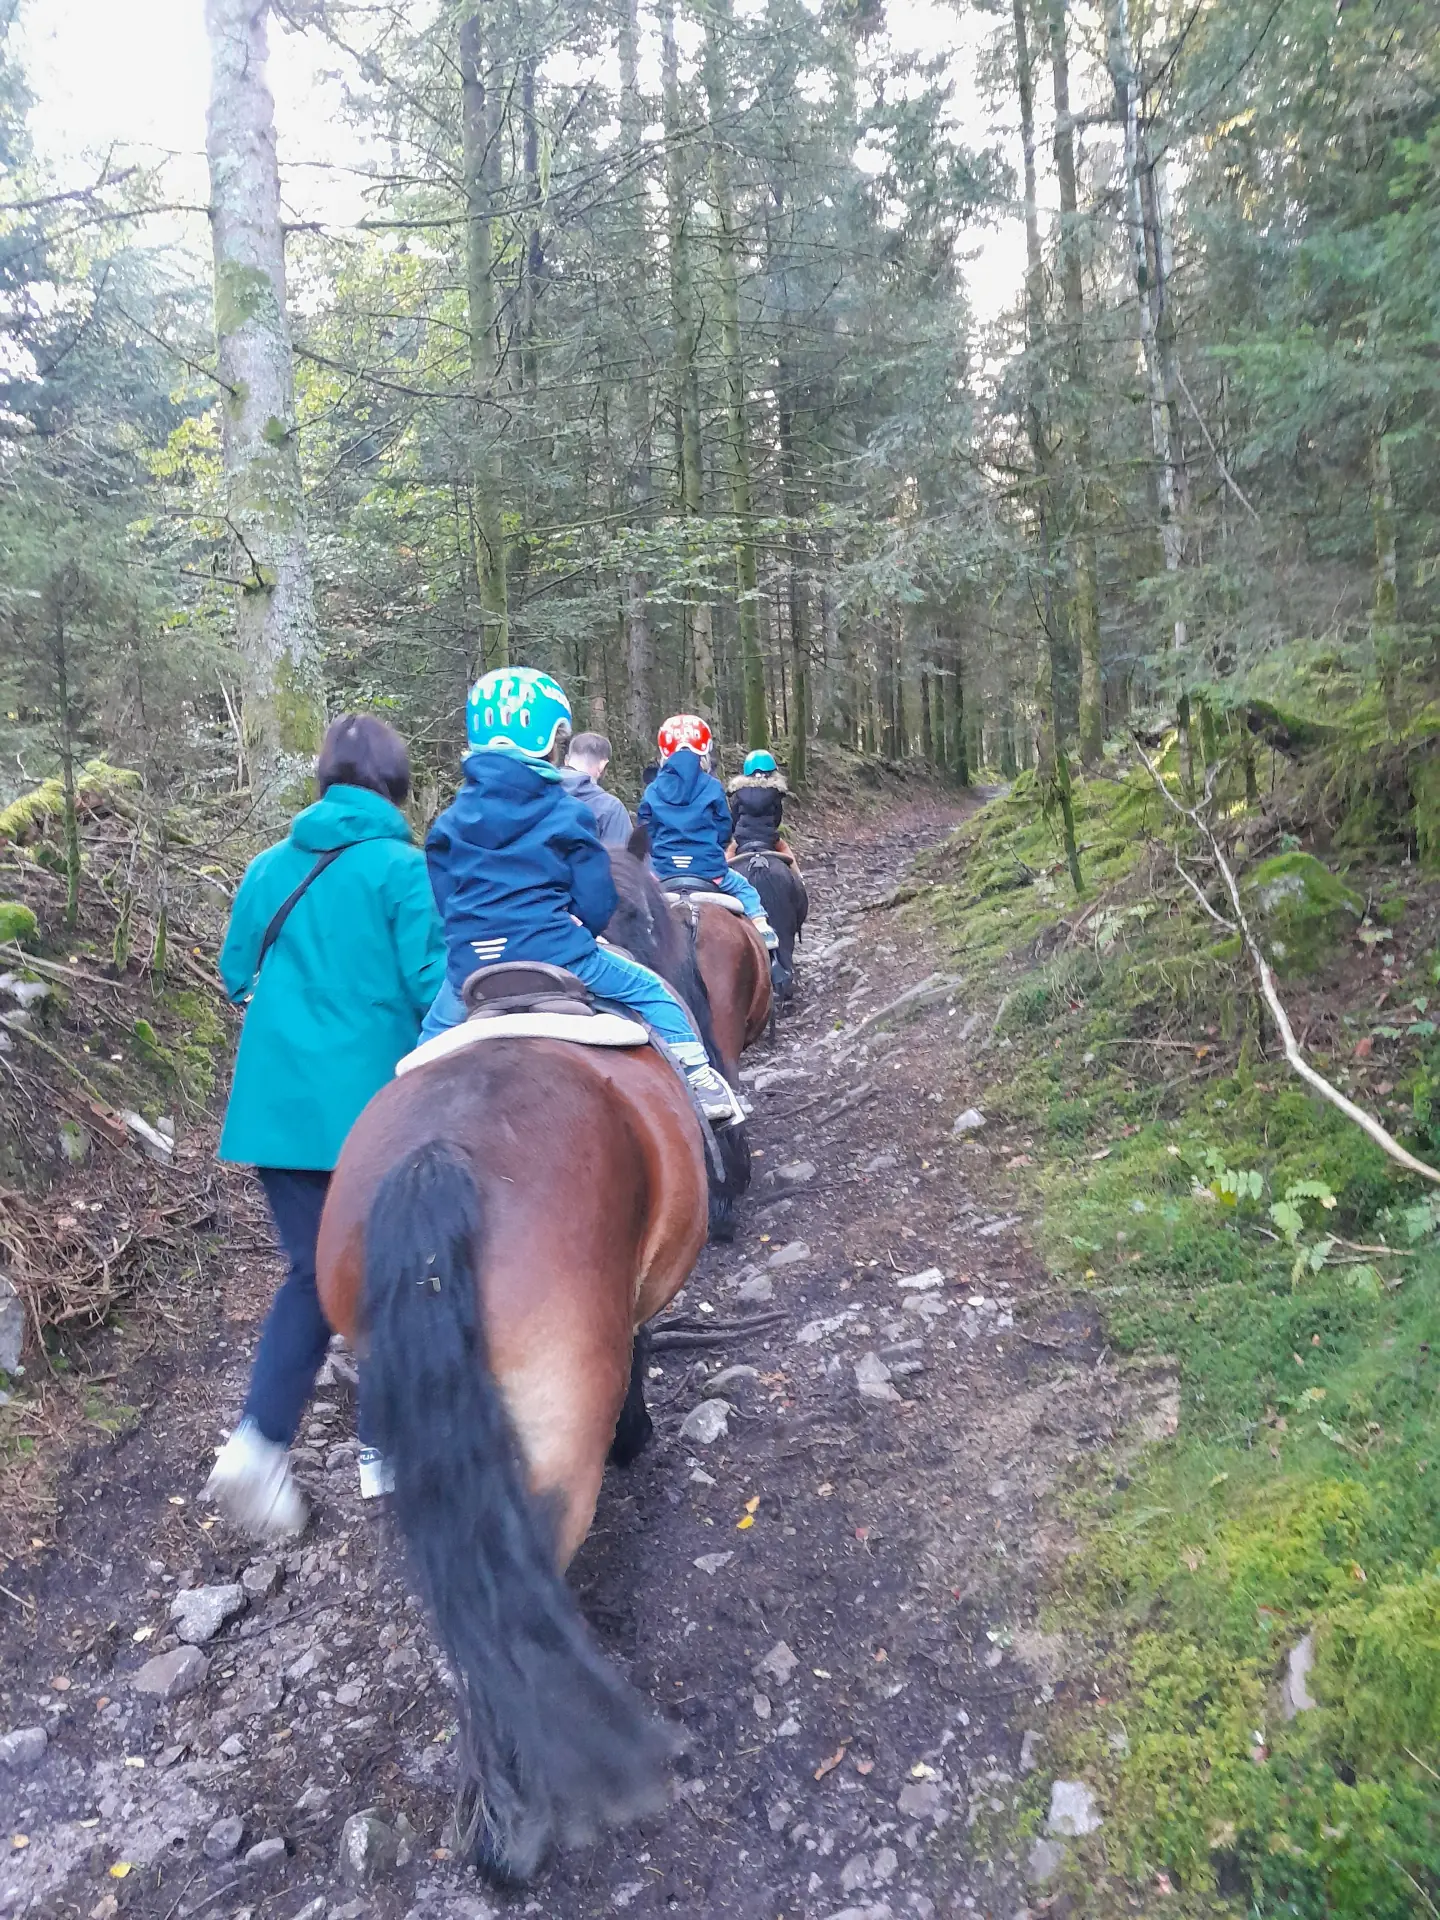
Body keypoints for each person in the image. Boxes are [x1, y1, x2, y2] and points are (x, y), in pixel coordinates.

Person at [206, 715, 445, 1542]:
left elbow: (235, 974)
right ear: (394, 784)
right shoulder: (402, 870)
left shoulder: (269, 866)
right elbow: (432, 984)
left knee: (315, 1274)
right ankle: (383, 1452)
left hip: (276, 1112)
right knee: (394, 1269)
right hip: (373, 1112)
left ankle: (260, 1442)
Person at [417, 667, 743, 1124]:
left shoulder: (449, 821)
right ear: (550, 739)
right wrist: (580, 925)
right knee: (655, 993)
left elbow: (443, 897)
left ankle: (414, 1108)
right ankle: (703, 1082)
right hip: (558, 955)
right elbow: (595, 900)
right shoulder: (567, 812)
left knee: (426, 1045)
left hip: (470, 968)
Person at [638, 715, 779, 949]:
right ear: (704, 751)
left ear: (664, 751)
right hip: (708, 869)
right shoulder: (712, 786)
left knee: (635, 902)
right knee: (745, 889)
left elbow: (645, 829)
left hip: (662, 871)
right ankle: (761, 925)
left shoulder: (652, 790)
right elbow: (724, 827)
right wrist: (715, 847)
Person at [559, 731, 632, 847]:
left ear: (566, 760)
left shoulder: (539, 792)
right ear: (603, 766)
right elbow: (620, 861)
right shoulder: (611, 809)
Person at [727, 749, 795, 861]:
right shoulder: (775, 792)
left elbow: (734, 819)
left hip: (742, 839)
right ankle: (799, 878)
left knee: (729, 853)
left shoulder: (739, 792)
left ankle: (720, 878)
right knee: (784, 848)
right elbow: (777, 819)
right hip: (768, 838)